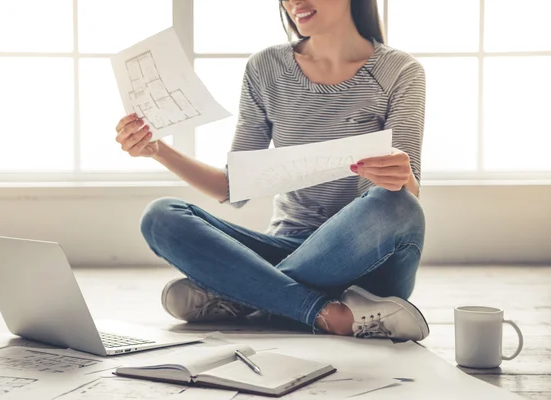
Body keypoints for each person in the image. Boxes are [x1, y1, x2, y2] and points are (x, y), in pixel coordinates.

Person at [114, 0, 429, 341]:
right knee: (160, 216)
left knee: (398, 204)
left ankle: (244, 294)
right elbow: (232, 189)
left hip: (364, 259)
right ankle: (325, 313)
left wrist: (401, 176)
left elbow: (402, 199)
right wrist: (158, 150)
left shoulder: (400, 71)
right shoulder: (267, 68)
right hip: (289, 247)